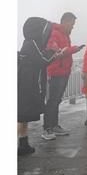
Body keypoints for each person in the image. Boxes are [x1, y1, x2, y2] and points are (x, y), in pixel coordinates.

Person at [17, 17, 63, 155]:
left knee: (23, 116)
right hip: (27, 85)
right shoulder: (32, 43)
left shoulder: (29, 43)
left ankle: (23, 144)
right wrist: (55, 52)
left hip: (26, 83)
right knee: (21, 115)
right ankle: (21, 144)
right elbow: (43, 60)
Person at [42, 12, 84, 140]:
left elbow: (62, 50)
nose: (73, 26)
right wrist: (74, 49)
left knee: (56, 100)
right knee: (52, 101)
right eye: (72, 24)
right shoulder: (55, 33)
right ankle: (47, 129)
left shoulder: (65, 35)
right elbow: (55, 50)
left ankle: (54, 126)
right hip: (56, 72)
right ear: (65, 22)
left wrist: (70, 49)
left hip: (63, 72)